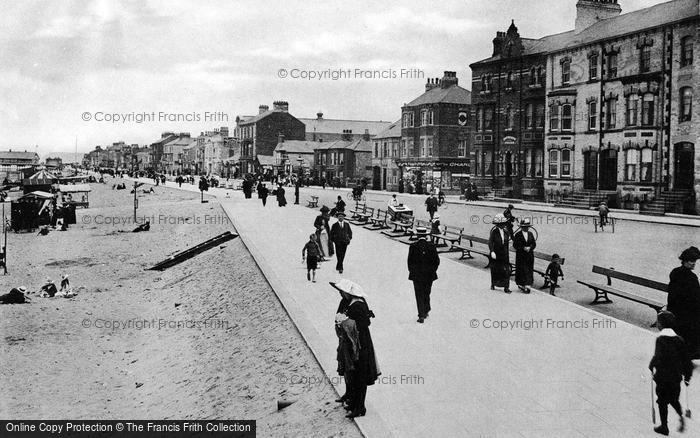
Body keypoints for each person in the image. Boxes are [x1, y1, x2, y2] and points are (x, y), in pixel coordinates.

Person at [331, 279, 380, 418]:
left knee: (360, 374)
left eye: (342, 292)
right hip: (351, 342)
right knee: (351, 371)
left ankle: (360, 407)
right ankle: (353, 402)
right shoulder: (349, 302)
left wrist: (346, 322)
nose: (340, 294)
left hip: (360, 344)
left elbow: (364, 323)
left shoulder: (358, 305)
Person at [648, 311, 693, 436]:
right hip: (675, 378)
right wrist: (687, 377)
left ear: (661, 325)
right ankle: (681, 416)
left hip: (662, 378)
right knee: (673, 399)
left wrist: (651, 366)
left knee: (662, 402)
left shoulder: (660, 339)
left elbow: (657, 356)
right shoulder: (679, 340)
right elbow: (686, 360)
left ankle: (664, 426)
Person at [667, 246, 700, 359]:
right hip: (686, 313)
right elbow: (696, 297)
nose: (694, 264)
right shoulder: (691, 277)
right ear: (685, 261)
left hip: (675, 309)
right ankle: (690, 353)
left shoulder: (675, 272)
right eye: (691, 261)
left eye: (695, 261)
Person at [408, 227, 440, 323]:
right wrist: (432, 271)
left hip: (417, 276)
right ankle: (426, 309)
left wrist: (413, 272)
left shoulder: (413, 246)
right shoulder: (431, 246)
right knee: (427, 292)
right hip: (429, 275)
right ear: (426, 236)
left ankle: (421, 314)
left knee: (419, 294)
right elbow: (437, 261)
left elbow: (410, 262)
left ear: (417, 235)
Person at [512, 218, 536, 293]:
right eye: (524, 227)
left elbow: (534, 244)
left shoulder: (530, 234)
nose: (526, 228)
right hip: (521, 256)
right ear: (521, 227)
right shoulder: (518, 234)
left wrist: (530, 247)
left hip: (529, 256)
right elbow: (515, 245)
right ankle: (522, 284)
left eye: (527, 226)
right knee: (522, 269)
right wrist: (523, 248)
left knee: (529, 269)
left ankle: (528, 284)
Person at [488, 214, 511, 293]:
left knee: (506, 270)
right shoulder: (494, 232)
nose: (503, 225)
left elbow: (507, 243)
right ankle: (493, 284)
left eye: (504, 224)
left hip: (504, 254)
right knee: (495, 270)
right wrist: (492, 251)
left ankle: (506, 287)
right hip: (496, 254)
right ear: (498, 224)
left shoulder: (506, 232)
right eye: (501, 224)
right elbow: (490, 242)